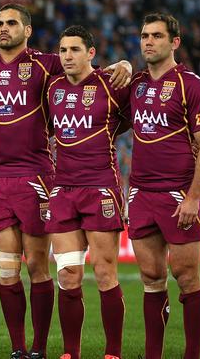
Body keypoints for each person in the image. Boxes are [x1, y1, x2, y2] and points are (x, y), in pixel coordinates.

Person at [0, 4, 131, 359]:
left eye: (12, 23)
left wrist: (126, 64)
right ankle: (20, 349)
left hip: (39, 176)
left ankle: (40, 347)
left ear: (28, 30)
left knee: (39, 266)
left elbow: (90, 74)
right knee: (7, 270)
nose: (4, 28)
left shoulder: (46, 63)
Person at [128, 13, 200, 359]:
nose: (148, 41)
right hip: (140, 193)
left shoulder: (191, 85)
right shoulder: (135, 84)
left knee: (185, 276)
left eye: (156, 36)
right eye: (143, 35)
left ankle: (191, 355)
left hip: (179, 194)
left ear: (174, 42)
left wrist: (194, 196)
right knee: (151, 277)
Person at [45, 25, 130, 359]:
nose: (67, 56)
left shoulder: (111, 85)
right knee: (67, 275)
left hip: (100, 188)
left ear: (91, 53)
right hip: (63, 190)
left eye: (75, 50)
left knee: (105, 273)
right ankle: (71, 353)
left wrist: (125, 63)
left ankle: (112, 353)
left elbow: (132, 112)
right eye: (63, 50)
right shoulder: (52, 88)